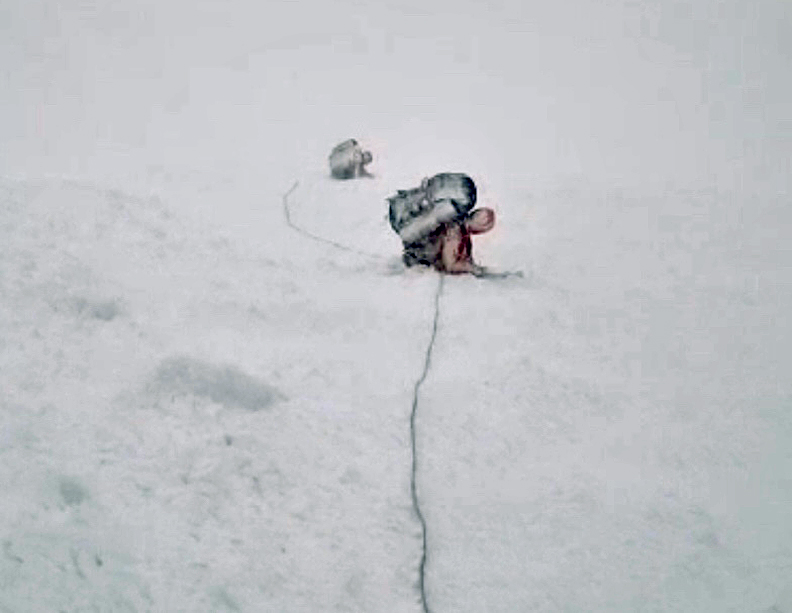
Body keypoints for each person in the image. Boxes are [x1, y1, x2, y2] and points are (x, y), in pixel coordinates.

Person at [402, 207, 496, 275]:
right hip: (420, 266)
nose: (483, 232)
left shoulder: (465, 234)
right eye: (486, 227)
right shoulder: (454, 231)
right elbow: (450, 265)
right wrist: (473, 269)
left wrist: (473, 267)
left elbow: (466, 259)